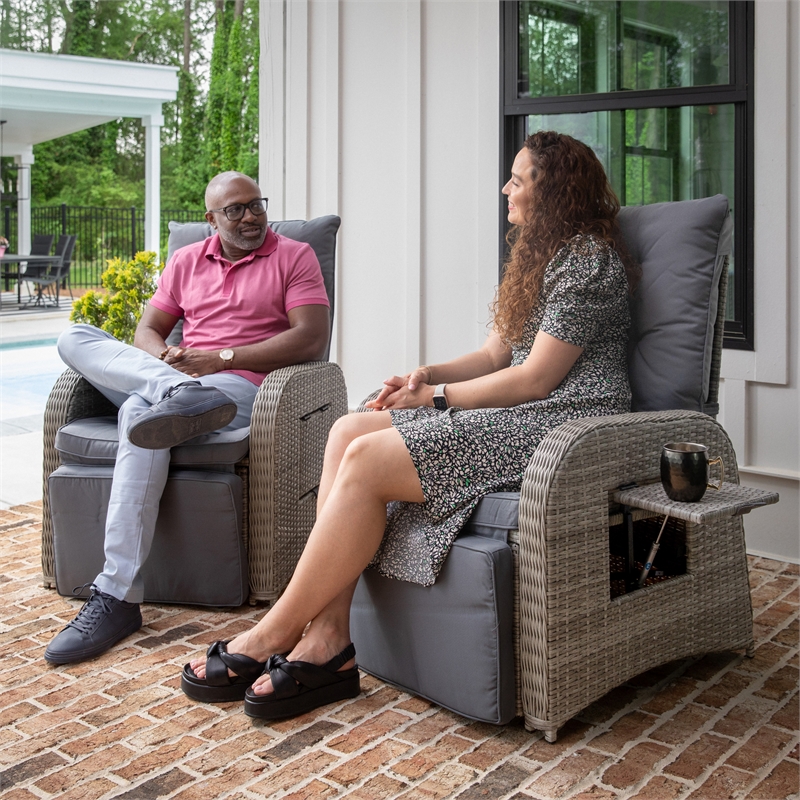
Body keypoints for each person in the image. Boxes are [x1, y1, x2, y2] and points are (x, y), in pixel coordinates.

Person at [181, 131, 639, 720]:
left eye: (518, 180)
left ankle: (275, 632)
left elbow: (536, 381)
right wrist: (423, 378)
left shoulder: (589, 261)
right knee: (350, 428)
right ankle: (330, 639)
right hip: (525, 410)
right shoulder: (537, 255)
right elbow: (496, 357)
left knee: (369, 463)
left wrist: (438, 400)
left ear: (553, 194)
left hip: (568, 423)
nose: (506, 188)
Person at [44, 171, 331, 665]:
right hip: (182, 383)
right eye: (235, 210)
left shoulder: (293, 256)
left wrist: (218, 359)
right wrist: (165, 362)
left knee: (137, 411)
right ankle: (175, 391)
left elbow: (311, 338)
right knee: (75, 337)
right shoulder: (185, 260)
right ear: (211, 219)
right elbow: (148, 329)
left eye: (256, 204)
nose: (250, 216)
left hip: (240, 385)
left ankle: (115, 596)